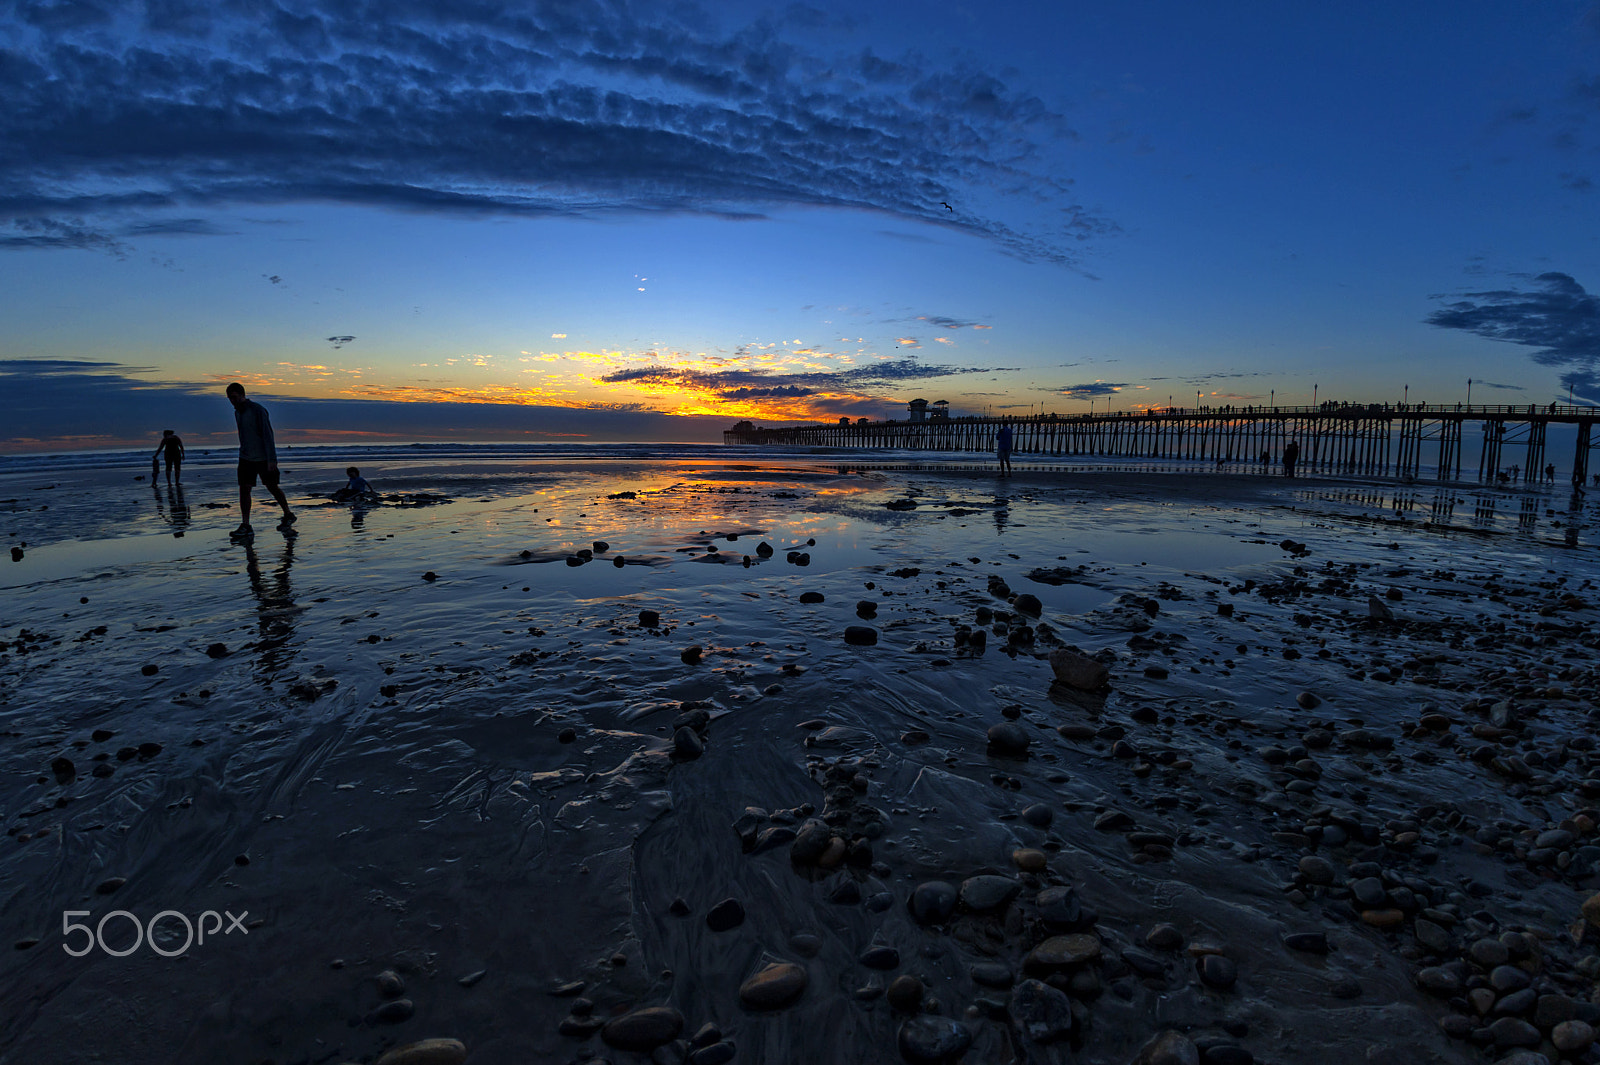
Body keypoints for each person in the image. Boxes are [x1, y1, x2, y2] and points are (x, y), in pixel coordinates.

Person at [226, 382, 295, 536]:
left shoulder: (257, 410)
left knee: (272, 487)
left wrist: (272, 459)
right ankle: (246, 524)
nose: (232, 401)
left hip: (263, 457)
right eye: (230, 399)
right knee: (244, 489)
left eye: (234, 397)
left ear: (242, 395)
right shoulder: (237, 413)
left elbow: (267, 435)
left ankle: (288, 513)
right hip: (245, 457)